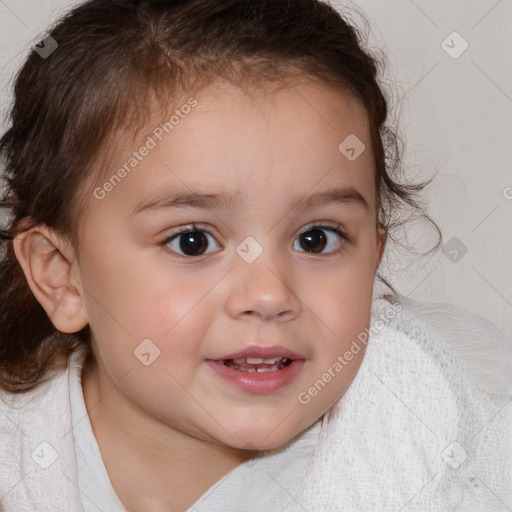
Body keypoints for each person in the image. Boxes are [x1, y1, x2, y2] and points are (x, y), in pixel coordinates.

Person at [0, 1, 510, 511]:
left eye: (317, 238)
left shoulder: (448, 446)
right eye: (192, 241)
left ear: (374, 256)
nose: (269, 295)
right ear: (61, 276)